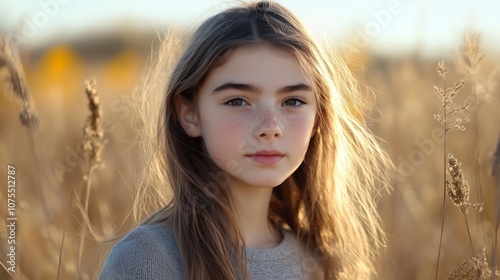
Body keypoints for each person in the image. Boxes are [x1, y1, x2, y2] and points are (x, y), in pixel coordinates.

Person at [99, 1, 393, 279]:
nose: (270, 128)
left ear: (318, 118)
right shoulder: (146, 261)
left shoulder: (319, 261)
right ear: (190, 114)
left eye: (292, 101)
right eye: (238, 101)